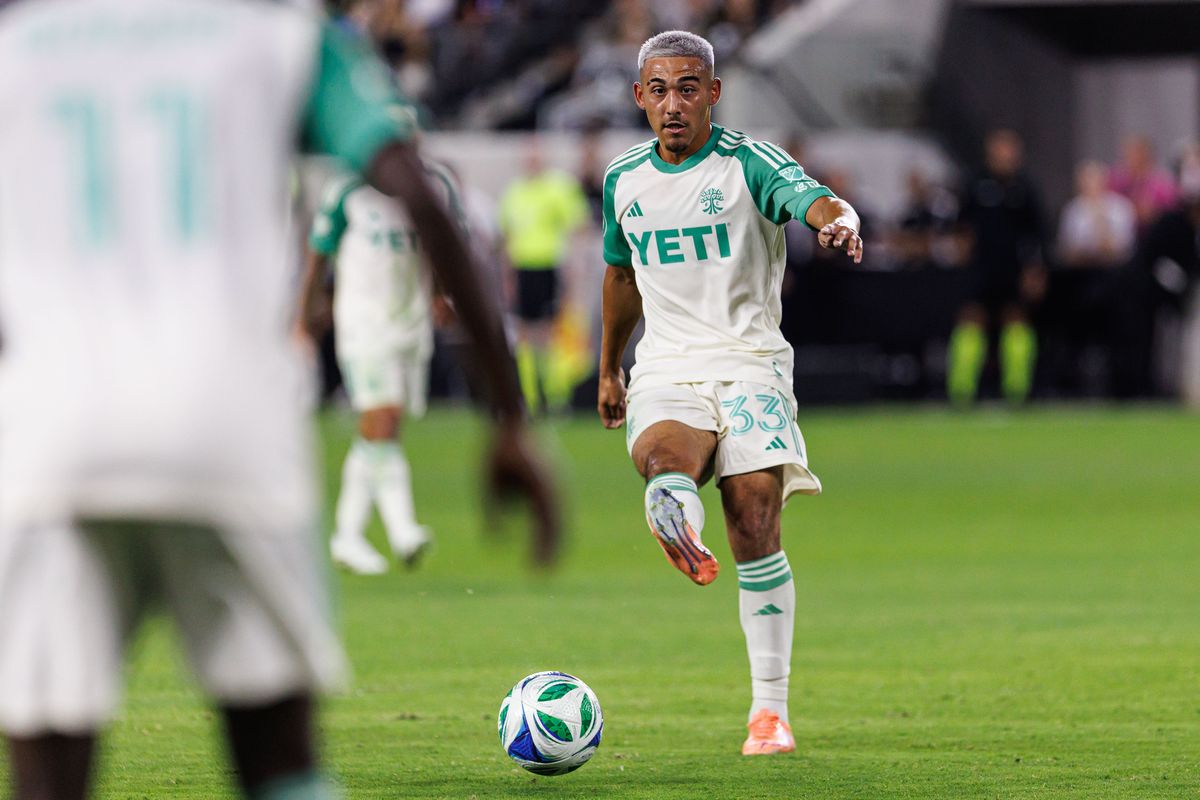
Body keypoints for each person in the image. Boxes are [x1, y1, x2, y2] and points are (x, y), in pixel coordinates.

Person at [0, 3, 558, 800]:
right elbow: (421, 194)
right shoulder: (283, 35)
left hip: (52, 429)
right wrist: (507, 420)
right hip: (227, 423)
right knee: (278, 759)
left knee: (48, 768)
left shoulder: (19, 43)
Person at [596, 31, 863, 756]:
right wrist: (610, 368)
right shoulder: (623, 179)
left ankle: (769, 713)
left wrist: (840, 223)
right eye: (659, 90)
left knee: (752, 515)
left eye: (688, 89)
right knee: (665, 457)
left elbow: (814, 199)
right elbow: (619, 276)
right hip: (667, 365)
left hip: (750, 364)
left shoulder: (749, 162)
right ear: (639, 97)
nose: (673, 104)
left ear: (713, 93)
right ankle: (674, 513)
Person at [295, 151, 461, 575]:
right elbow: (318, 254)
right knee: (381, 416)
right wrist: (303, 319)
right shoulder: (347, 190)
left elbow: (444, 247)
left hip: (410, 323)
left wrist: (440, 295)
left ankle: (349, 534)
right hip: (364, 323)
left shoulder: (434, 184)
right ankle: (401, 529)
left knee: (384, 426)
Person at [947, 129, 1046, 407]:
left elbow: (1037, 235)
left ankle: (1017, 390)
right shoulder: (975, 184)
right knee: (971, 320)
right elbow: (961, 227)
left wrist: (1035, 271)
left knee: (1015, 321)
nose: (1006, 156)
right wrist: (962, 255)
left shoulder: (1025, 189)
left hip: (1013, 268)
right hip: (980, 268)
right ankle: (961, 391)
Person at [498, 142, 589, 413]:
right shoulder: (514, 192)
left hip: (550, 265)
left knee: (552, 332)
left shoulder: (558, 188)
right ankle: (528, 396)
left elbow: (578, 227)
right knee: (524, 333)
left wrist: (573, 266)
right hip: (523, 267)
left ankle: (555, 395)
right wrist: (508, 276)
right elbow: (506, 238)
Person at [1057, 160, 1137, 269]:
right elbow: (1067, 248)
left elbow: (1125, 246)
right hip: (1080, 270)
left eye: (1095, 179)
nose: (1091, 184)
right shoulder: (1072, 210)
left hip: (1116, 269)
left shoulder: (1121, 207)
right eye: (1087, 180)